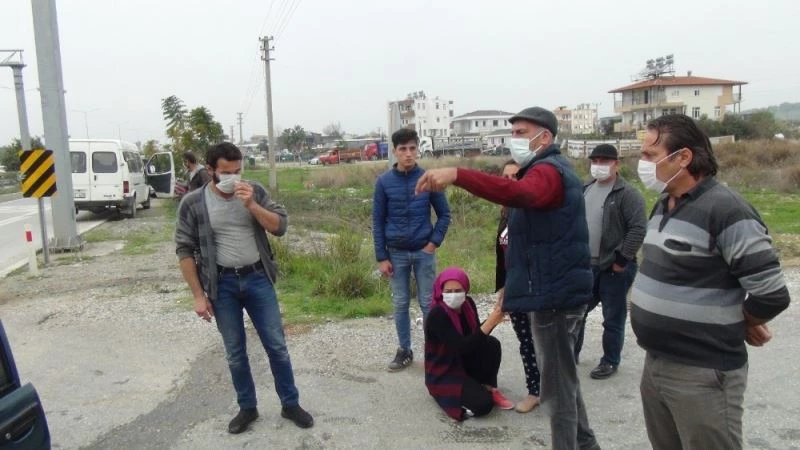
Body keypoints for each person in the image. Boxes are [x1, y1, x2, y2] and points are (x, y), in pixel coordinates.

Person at [416, 107, 600, 450]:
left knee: (556, 393)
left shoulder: (548, 172)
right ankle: (586, 444)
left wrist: (458, 173)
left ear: (544, 137)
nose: (513, 139)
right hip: (551, 293)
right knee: (563, 383)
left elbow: (520, 194)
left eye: (520, 132)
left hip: (555, 300)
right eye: (512, 132)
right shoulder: (543, 170)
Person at [631, 114, 791, 449]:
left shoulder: (727, 209)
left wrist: (739, 321)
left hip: (703, 373)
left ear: (683, 157)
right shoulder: (663, 204)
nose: (642, 163)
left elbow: (772, 294)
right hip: (656, 364)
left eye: (649, 155)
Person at [174, 142, 313, 434]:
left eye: (238, 171)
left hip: (257, 278)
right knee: (235, 351)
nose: (233, 178)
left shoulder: (255, 191)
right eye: (226, 172)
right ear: (210, 170)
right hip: (221, 284)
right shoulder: (194, 202)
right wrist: (198, 295)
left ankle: (290, 403)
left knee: (277, 346)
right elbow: (184, 249)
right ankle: (247, 408)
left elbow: (280, 226)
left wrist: (251, 204)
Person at [372, 128, 451, 371]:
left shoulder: (429, 178)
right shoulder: (384, 182)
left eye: (412, 148)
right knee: (400, 303)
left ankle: (433, 351)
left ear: (418, 149)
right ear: (394, 151)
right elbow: (377, 220)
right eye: (402, 149)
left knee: (428, 303)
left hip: (423, 252)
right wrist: (381, 257)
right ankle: (404, 350)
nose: (408, 154)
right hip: (395, 254)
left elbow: (445, 214)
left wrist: (432, 243)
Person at [574, 144, 646, 380]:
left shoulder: (628, 194)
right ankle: (571, 355)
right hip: (586, 265)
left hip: (614, 267)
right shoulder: (584, 188)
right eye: (595, 160)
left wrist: (622, 260)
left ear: (617, 163)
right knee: (578, 312)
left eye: (605, 161)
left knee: (613, 317)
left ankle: (610, 361)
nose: (599, 165)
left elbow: (637, 229)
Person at [424, 267, 514, 420]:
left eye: (458, 290)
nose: (453, 295)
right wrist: (491, 321)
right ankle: (448, 394)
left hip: (463, 360)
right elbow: (461, 347)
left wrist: (495, 320)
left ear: (465, 290)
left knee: (491, 344)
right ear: (441, 291)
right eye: (449, 291)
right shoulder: (437, 314)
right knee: (483, 405)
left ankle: (488, 386)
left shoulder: (468, 305)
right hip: (445, 369)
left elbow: (476, 337)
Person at [495, 159, 541, 413]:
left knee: (544, 342)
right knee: (525, 341)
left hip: (536, 289)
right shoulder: (506, 211)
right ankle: (535, 390)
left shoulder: (533, 210)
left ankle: (554, 389)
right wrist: (503, 289)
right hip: (516, 288)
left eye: (516, 177)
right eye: (506, 177)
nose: (510, 182)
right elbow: (503, 258)